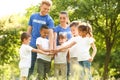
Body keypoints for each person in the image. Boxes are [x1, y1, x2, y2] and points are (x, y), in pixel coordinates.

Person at [27, 0, 54, 77]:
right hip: (32, 44)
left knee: (42, 67)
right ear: (41, 6)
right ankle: (28, 78)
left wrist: (51, 48)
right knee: (30, 64)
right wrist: (26, 43)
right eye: (45, 8)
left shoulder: (49, 20)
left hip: (43, 47)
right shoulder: (33, 16)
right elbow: (29, 30)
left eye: (48, 9)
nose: (46, 11)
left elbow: (51, 34)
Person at [53, 11, 72, 77]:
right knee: (61, 73)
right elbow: (54, 40)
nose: (62, 20)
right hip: (61, 53)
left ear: (67, 18)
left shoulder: (70, 28)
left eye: (64, 18)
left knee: (69, 72)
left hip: (70, 52)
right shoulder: (56, 28)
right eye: (60, 18)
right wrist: (55, 50)